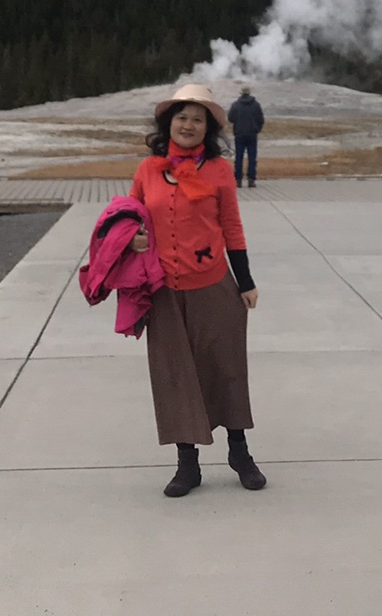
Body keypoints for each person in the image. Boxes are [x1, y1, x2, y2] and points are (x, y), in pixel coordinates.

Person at [129, 82, 265, 497]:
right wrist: (134, 237)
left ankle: (239, 452)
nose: (188, 125)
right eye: (182, 117)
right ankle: (187, 464)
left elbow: (232, 229)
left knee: (225, 367)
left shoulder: (220, 171)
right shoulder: (147, 170)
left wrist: (246, 282)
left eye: (197, 119)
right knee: (175, 375)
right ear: (168, 123)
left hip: (213, 287)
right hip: (164, 292)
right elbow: (132, 217)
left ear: (208, 129)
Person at [228, 84, 265, 188]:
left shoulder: (235, 105)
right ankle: (251, 180)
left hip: (239, 134)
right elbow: (261, 119)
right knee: (252, 158)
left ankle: (238, 180)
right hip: (252, 134)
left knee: (239, 157)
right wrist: (257, 129)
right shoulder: (256, 105)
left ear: (241, 93)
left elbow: (230, 118)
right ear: (249, 93)